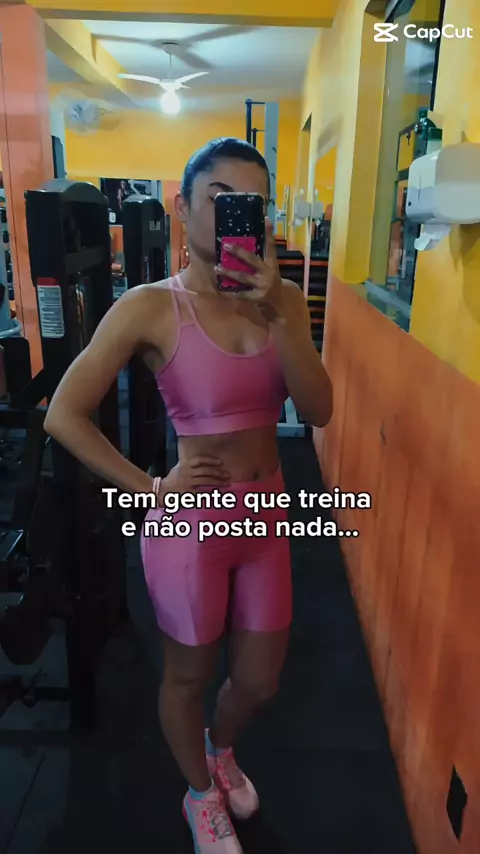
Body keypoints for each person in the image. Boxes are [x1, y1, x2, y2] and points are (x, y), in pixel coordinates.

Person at [44, 138, 333, 854]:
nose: (240, 216)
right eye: (221, 200)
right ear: (182, 207)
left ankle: (219, 750)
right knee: (189, 674)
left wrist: (284, 316)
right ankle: (200, 794)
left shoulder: (281, 299)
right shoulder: (150, 307)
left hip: (266, 517)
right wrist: (151, 486)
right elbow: (63, 414)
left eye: (254, 204)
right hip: (192, 525)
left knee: (259, 681)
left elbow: (319, 410)